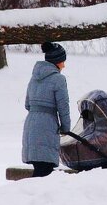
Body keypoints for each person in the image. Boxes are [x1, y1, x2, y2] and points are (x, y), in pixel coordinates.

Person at [21, 41, 72, 177]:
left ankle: (31, 195)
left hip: (31, 125)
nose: (64, 65)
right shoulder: (59, 79)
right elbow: (63, 107)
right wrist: (66, 128)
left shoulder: (34, 78)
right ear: (56, 62)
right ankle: (31, 196)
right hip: (46, 126)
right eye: (62, 61)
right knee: (44, 172)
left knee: (40, 169)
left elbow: (27, 105)